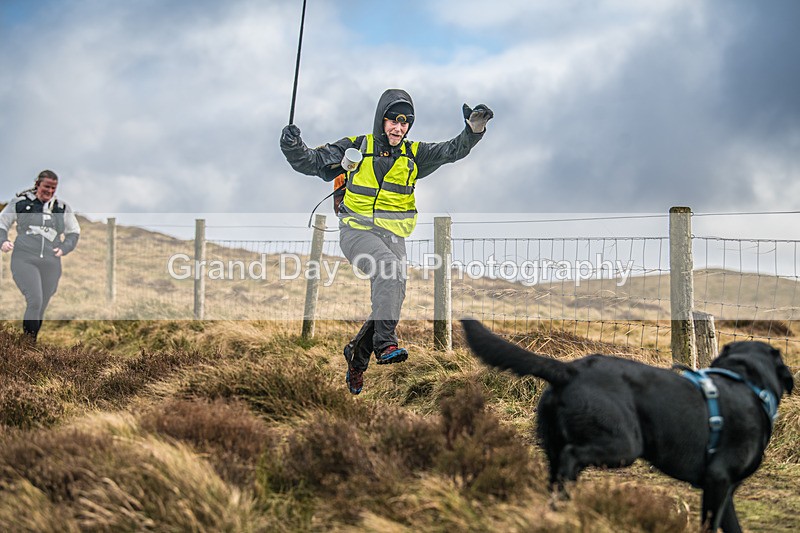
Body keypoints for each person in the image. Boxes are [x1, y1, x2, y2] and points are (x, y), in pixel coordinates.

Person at [281, 89, 493, 394]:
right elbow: (310, 162)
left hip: (394, 237)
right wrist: (292, 145)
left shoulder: (414, 154)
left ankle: (356, 355)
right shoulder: (356, 147)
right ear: (381, 120)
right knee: (390, 271)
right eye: (393, 120)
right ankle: (385, 345)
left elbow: (451, 150)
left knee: (391, 294)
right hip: (356, 233)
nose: (398, 128)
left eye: (405, 123)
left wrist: (473, 130)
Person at [0, 170, 81, 343]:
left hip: (51, 262)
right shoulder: (20, 203)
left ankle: (30, 343)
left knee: (42, 304)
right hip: (24, 259)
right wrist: (3, 241)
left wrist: (64, 249)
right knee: (35, 300)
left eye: (53, 188)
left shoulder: (62, 208)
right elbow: (2, 223)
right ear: (37, 184)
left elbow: (74, 232)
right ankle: (28, 345)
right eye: (46, 187)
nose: (49, 191)